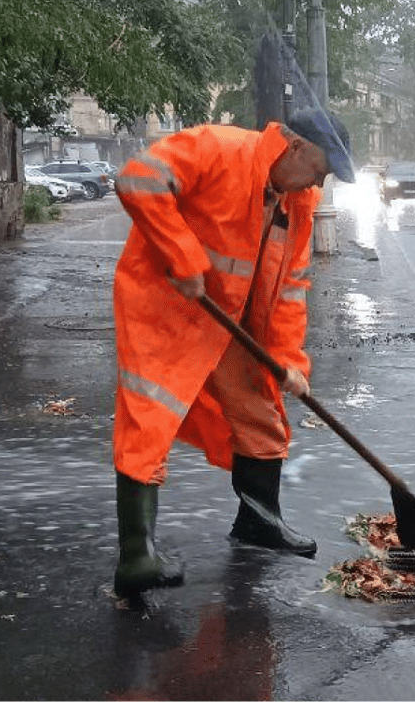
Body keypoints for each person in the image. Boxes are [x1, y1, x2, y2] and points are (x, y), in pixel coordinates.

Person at [109, 108, 355, 597]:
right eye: (320, 169)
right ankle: (137, 557)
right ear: (296, 146)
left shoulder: (298, 201)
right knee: (149, 415)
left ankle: (259, 521)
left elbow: (290, 289)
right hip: (167, 307)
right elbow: (137, 178)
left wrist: (287, 359)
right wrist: (182, 256)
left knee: (261, 410)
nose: (319, 182)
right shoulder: (219, 148)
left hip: (232, 319)